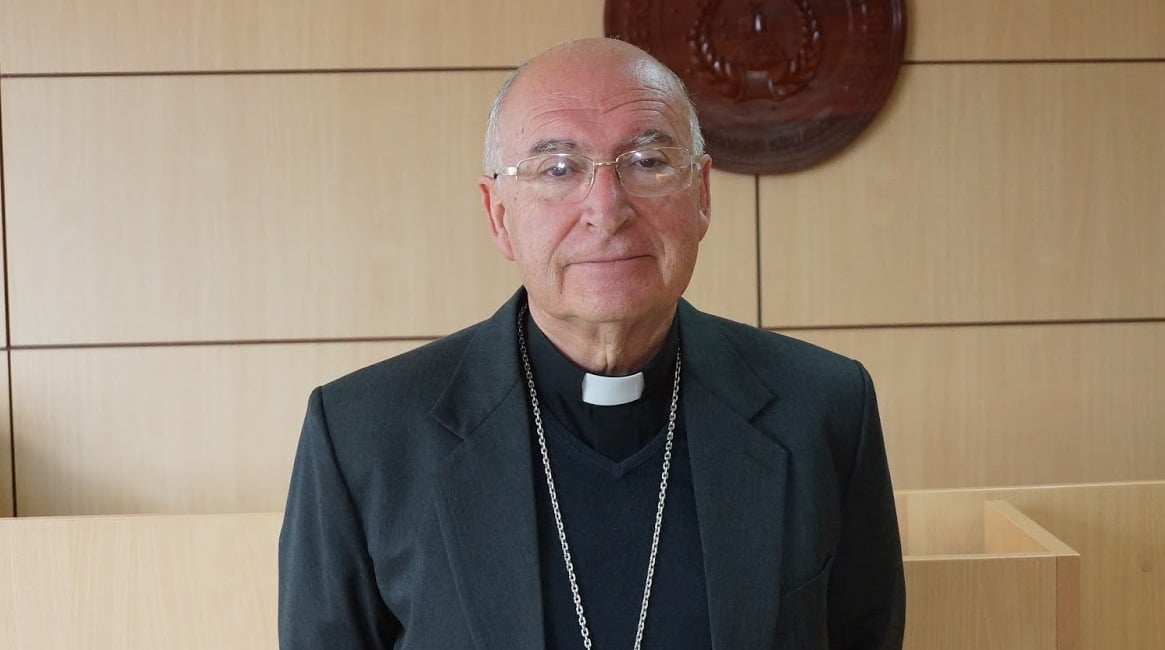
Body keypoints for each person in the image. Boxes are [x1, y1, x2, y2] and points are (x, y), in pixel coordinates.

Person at [279, 37, 905, 649]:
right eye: (558, 169)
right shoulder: (362, 434)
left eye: (648, 162)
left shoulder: (823, 408)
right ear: (499, 214)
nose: (606, 209)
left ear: (701, 194)